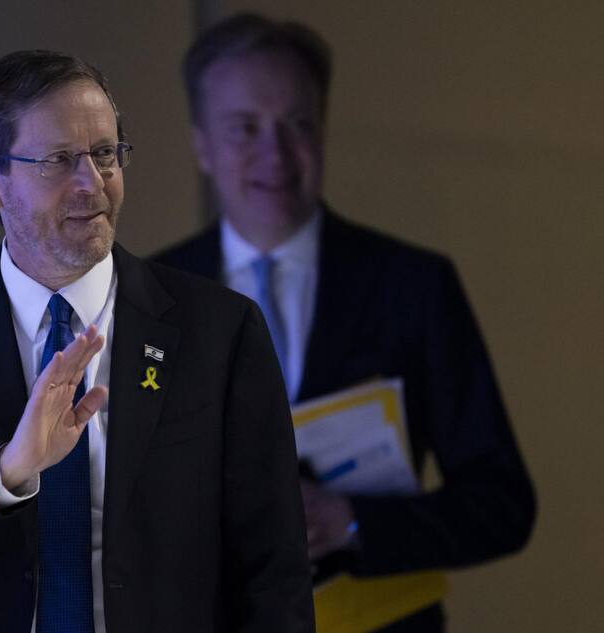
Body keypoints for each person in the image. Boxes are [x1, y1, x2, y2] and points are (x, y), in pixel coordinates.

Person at [0, 49, 314, 633]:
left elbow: (275, 564)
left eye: (106, 154)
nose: (92, 183)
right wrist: (8, 469)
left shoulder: (219, 330)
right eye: (59, 160)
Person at [153, 14, 535, 633]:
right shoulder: (149, 297)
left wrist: (350, 520)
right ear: (201, 144)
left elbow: (503, 505)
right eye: (245, 127)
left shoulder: (414, 285)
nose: (275, 154)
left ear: (322, 131)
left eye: (297, 125)